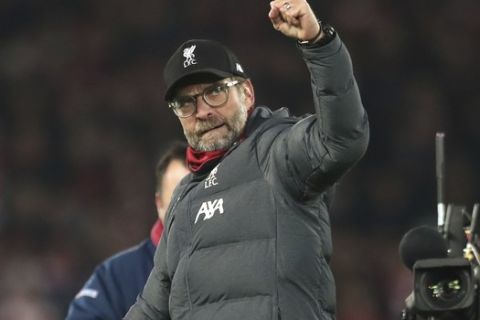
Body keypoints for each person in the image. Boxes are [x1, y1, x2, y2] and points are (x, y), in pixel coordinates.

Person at [125, 0, 369, 319]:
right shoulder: (184, 199)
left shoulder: (278, 152)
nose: (203, 111)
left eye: (215, 92)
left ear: (247, 94)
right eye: (186, 103)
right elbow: (152, 307)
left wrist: (318, 43)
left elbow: (342, 139)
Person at [66, 142, 189, 319]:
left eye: (200, 197)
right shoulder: (117, 277)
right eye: (179, 200)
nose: (191, 209)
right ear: (159, 204)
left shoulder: (237, 262)